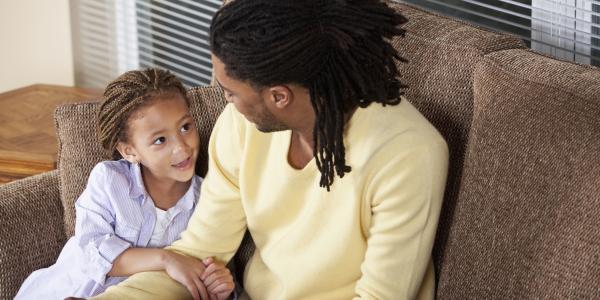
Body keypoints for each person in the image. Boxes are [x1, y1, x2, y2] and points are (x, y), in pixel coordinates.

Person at [93, 0, 449, 299]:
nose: (226, 101)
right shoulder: (241, 126)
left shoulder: (408, 154)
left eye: (230, 91)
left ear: (279, 96)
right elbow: (198, 251)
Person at [15, 69, 234, 300]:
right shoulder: (109, 181)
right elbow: (93, 251)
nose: (182, 147)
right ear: (129, 151)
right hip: (68, 291)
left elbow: (208, 268)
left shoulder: (207, 201)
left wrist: (220, 285)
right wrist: (167, 259)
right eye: (160, 140)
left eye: (185, 127)